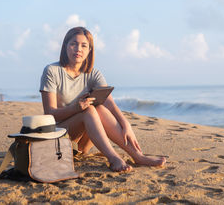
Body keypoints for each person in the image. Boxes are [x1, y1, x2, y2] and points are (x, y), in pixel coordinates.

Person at [40, 27, 166, 172]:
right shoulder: (52, 71)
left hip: (82, 145)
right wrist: (76, 108)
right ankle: (113, 158)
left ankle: (138, 156)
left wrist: (126, 125)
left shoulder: (93, 73)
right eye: (73, 44)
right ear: (65, 46)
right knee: (89, 110)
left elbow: (110, 104)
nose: (78, 49)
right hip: (59, 139)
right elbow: (50, 114)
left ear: (89, 50)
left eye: (84, 45)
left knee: (99, 108)